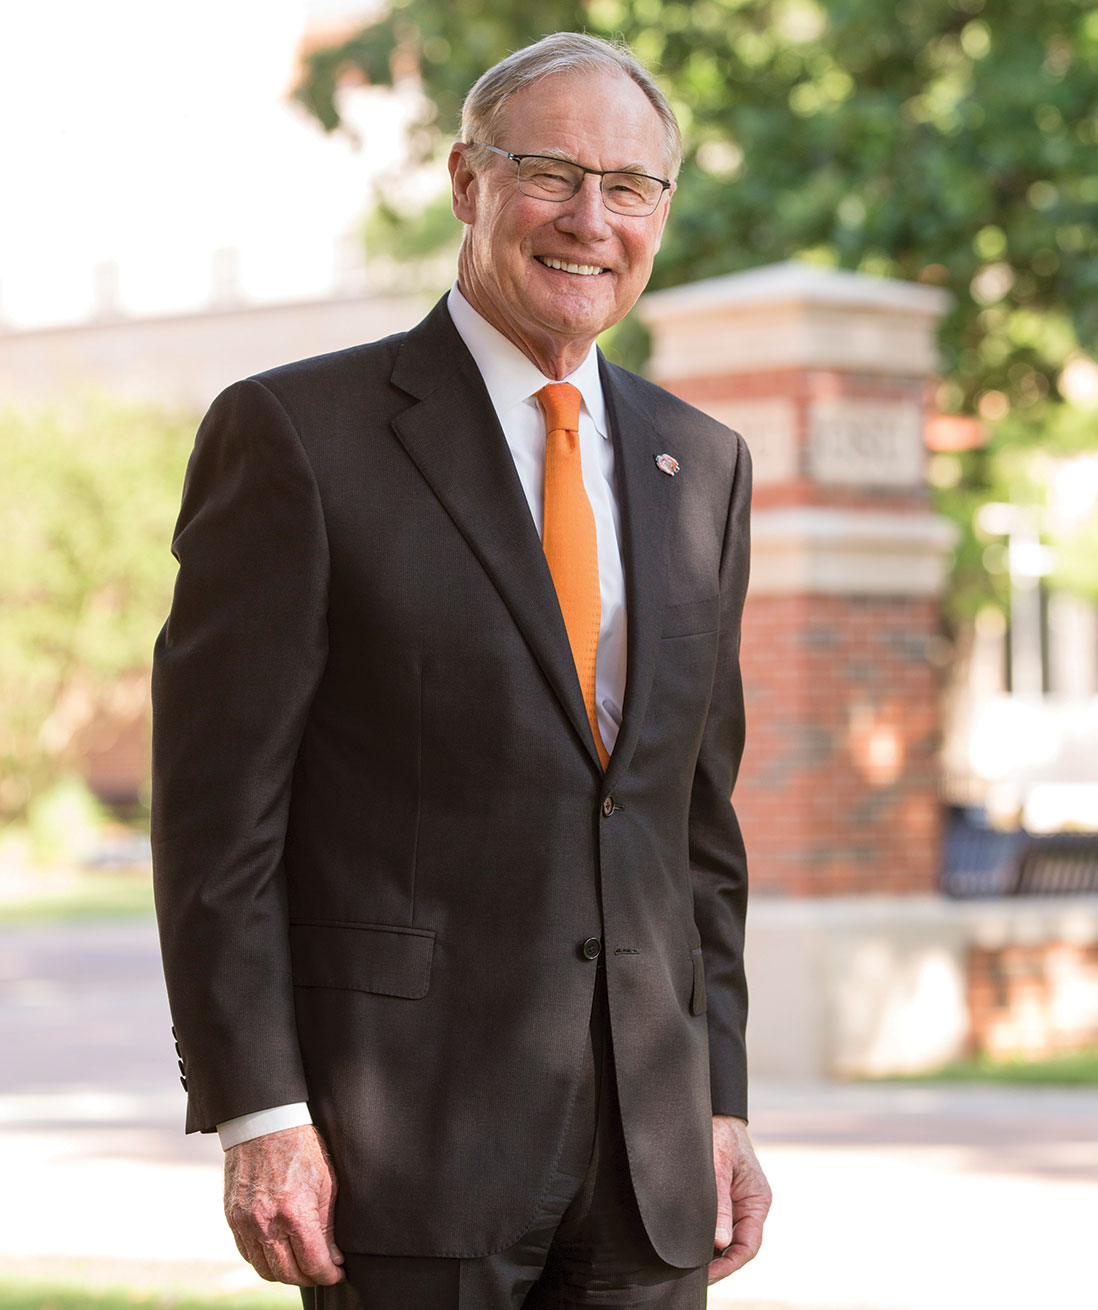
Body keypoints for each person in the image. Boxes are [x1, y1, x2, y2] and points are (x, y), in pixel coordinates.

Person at [152, 30, 771, 1310]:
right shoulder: (299, 437)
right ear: (465, 182)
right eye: (551, 172)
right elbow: (221, 819)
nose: (590, 219)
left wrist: (719, 1099)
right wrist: (260, 1107)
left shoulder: (701, 466)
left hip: (649, 1168)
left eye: (630, 186)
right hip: (405, 1146)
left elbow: (692, 830)